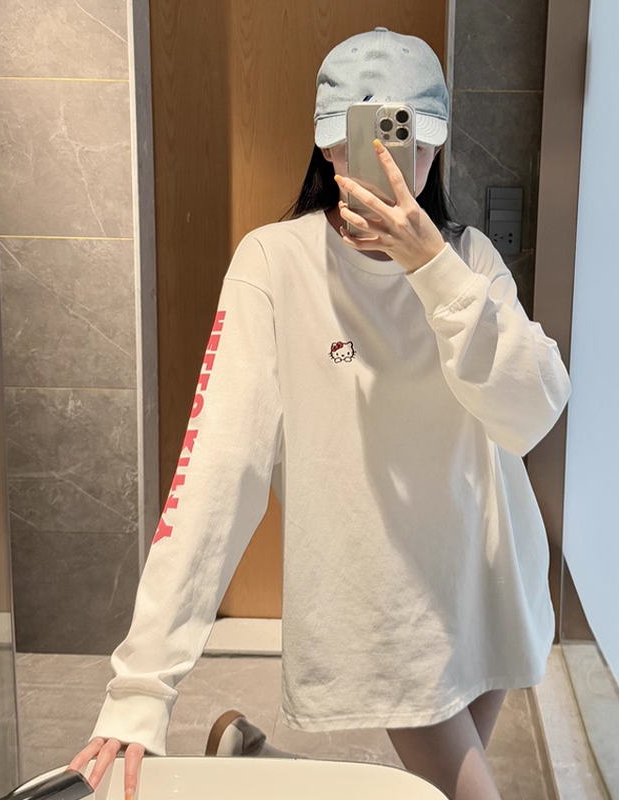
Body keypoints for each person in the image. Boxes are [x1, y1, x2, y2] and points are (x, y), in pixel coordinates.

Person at [66, 27, 571, 800]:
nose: (387, 161)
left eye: (410, 141)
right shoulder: (275, 263)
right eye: (358, 139)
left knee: (438, 792)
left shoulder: (468, 260)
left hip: (488, 581)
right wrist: (143, 685)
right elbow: (218, 465)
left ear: (436, 146)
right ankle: (252, 761)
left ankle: (254, 760)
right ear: (328, 147)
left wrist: (432, 270)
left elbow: (531, 409)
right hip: (385, 600)